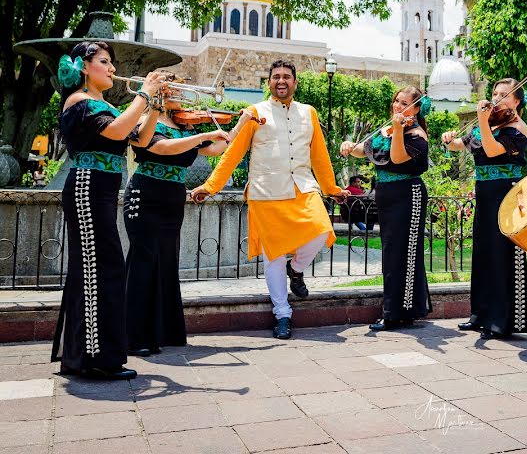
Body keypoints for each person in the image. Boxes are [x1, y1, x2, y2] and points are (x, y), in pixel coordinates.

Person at [190, 60, 350, 339]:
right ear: (269, 83)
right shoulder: (254, 113)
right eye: (276, 77)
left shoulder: (308, 113)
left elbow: (319, 156)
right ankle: (282, 314)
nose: (281, 81)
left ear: (295, 82)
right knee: (272, 257)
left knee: (321, 229)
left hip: (303, 188)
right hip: (266, 192)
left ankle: (296, 268)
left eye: (287, 76)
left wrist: (332, 188)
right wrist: (210, 186)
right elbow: (233, 153)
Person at [51, 41, 168, 380]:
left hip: (101, 191)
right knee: (96, 270)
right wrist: (144, 94)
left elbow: (141, 140)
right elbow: (116, 130)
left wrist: (156, 106)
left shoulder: (102, 104)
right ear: (85, 67)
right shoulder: (79, 101)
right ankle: (91, 358)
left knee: (107, 267)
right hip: (87, 187)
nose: (113, 69)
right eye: (105, 62)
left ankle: (95, 355)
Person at [124, 85, 244, 356]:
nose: (179, 95)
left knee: (166, 262)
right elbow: (162, 147)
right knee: (143, 261)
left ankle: (164, 332)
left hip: (172, 198)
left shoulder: (186, 126)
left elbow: (216, 148)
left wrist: (242, 123)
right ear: (161, 93)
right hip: (146, 194)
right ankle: (134, 337)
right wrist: (201, 135)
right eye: (173, 90)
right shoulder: (146, 119)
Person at [443, 78, 527, 340]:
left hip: (506, 191)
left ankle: (501, 320)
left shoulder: (518, 127)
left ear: (517, 102)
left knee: (501, 253)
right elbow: (459, 145)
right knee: (483, 254)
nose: (497, 98)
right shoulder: (491, 124)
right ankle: (480, 315)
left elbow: (493, 152)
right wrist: (448, 139)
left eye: (504, 95)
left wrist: (482, 120)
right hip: (485, 191)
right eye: (495, 93)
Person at [340, 87, 432, 331]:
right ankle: (398, 310)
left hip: (407, 194)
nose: (398, 107)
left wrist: (399, 129)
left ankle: (397, 312)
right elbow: (366, 150)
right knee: (391, 254)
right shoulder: (386, 130)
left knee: (405, 254)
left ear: (416, 108)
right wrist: (351, 146)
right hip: (386, 195)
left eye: (404, 103)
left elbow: (398, 157)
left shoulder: (416, 134)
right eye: (396, 102)